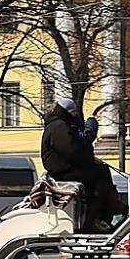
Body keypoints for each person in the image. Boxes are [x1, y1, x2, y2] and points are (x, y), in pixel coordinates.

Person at [40, 96, 113, 229]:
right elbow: (73, 151)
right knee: (101, 173)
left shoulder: (58, 124)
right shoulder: (59, 126)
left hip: (65, 169)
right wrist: (89, 161)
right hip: (64, 171)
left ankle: (98, 213)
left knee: (99, 172)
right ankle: (97, 216)